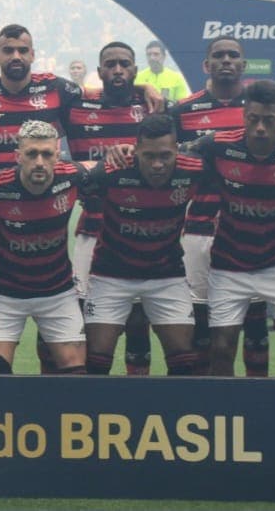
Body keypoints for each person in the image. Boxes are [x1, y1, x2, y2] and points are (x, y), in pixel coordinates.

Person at [0, 24, 84, 370]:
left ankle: (49, 371)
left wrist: (144, 87)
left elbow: (97, 101)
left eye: (22, 50)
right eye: (8, 50)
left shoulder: (56, 88)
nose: (16, 56)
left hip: (44, 204)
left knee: (47, 288)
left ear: (32, 54)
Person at [190, 80, 275, 377]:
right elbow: (173, 157)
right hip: (229, 262)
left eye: (269, 120)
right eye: (254, 119)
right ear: (244, 115)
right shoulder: (217, 145)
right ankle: (228, 413)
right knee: (222, 349)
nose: (260, 127)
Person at [168, 37, 269, 376]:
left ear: (243, 65)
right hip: (198, 228)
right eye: (219, 55)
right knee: (202, 323)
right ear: (206, 65)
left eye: (234, 55)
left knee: (255, 327)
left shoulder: (260, 111)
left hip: (250, 231)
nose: (226, 60)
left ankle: (256, 403)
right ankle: (205, 401)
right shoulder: (182, 111)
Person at [82, 115, 202, 376]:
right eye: (149, 156)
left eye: (165, 156)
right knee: (96, 360)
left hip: (166, 274)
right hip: (111, 274)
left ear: (177, 150)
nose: (158, 164)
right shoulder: (110, 173)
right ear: (135, 151)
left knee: (185, 361)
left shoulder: (194, 170)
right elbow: (72, 177)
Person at [0, 120, 94, 374]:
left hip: (57, 293)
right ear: (18, 156)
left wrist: (124, 150)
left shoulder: (74, 176)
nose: (39, 161)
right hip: (5, 294)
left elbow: (102, 168)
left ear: (58, 156)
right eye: (31, 154)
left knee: (75, 373)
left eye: (47, 154)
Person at [64, 42, 153, 374]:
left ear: (135, 70)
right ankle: (93, 400)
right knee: (88, 316)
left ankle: (137, 395)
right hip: (93, 229)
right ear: (99, 72)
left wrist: (146, 89)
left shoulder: (154, 108)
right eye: (111, 65)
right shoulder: (75, 107)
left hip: (142, 233)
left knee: (138, 320)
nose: (118, 70)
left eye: (125, 64)